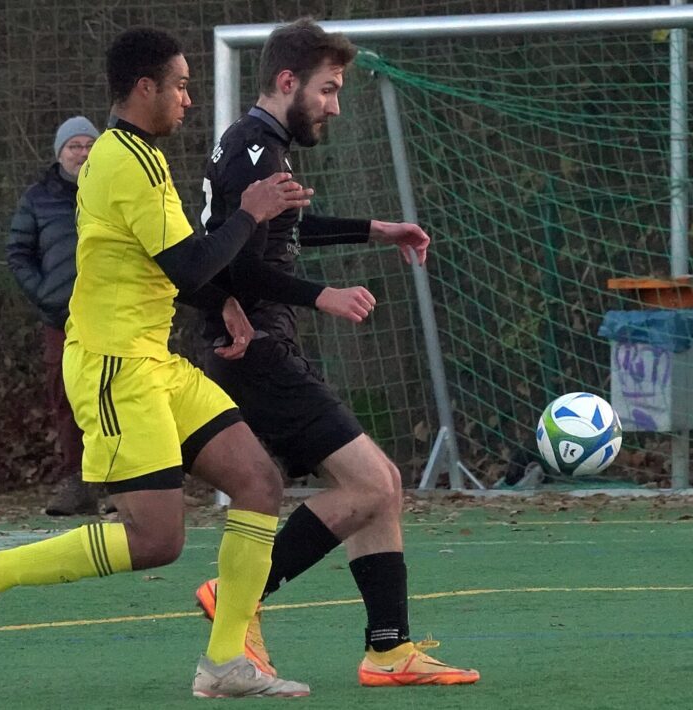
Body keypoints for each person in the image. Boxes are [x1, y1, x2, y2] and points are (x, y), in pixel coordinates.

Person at [0, 27, 315, 698]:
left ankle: (225, 663)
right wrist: (251, 212)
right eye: (180, 86)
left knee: (259, 482)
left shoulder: (139, 156)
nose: (189, 99)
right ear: (146, 88)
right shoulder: (124, 162)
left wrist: (224, 302)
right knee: (156, 541)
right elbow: (192, 263)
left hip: (154, 361)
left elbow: (176, 263)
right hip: (114, 367)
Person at [193, 18, 480, 687]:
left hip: (264, 342)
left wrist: (375, 230)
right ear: (287, 81)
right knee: (373, 483)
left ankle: (389, 650)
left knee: (380, 486)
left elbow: (284, 232)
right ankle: (238, 592)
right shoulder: (256, 153)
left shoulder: (261, 146)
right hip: (253, 349)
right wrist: (322, 295)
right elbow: (238, 268)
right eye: (328, 89)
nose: (335, 105)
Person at [6, 115, 102, 515]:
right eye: (74, 146)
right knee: (67, 399)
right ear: (60, 153)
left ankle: (119, 483)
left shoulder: (113, 190)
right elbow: (18, 252)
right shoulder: (37, 198)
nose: (82, 153)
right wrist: (44, 294)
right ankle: (77, 481)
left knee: (114, 397)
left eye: (89, 145)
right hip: (60, 319)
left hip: (110, 315)